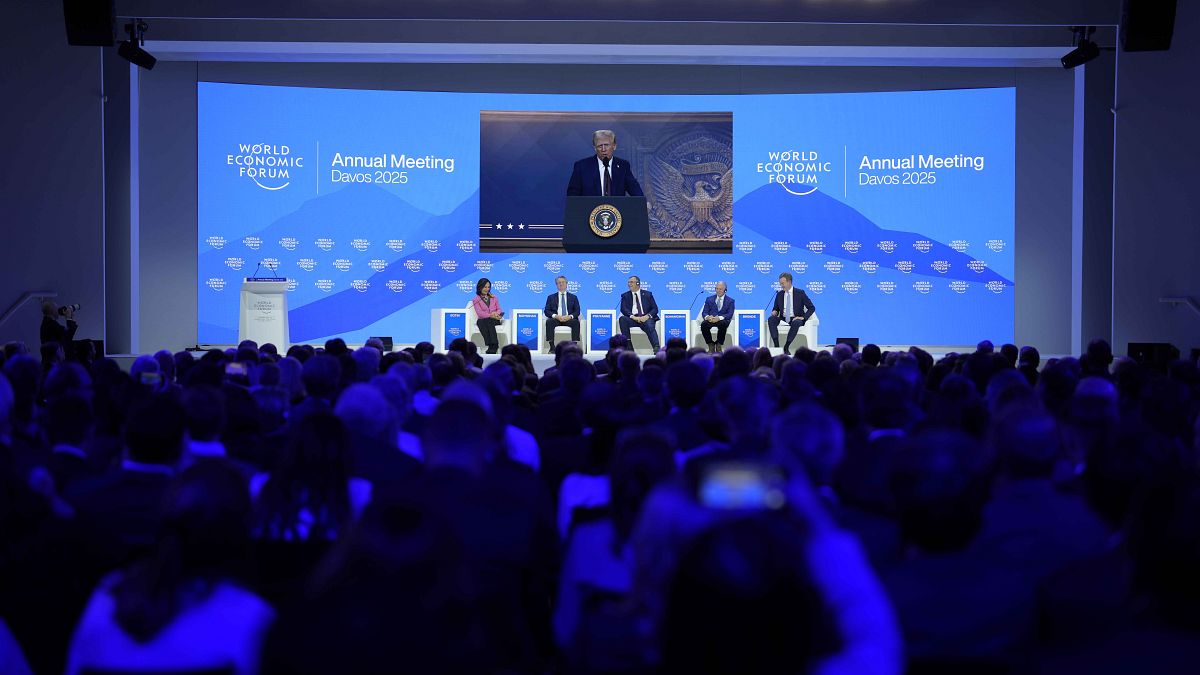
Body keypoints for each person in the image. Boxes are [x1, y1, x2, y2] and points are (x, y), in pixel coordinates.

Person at [566, 130, 644, 197]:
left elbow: (636, 192)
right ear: (595, 148)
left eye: (606, 145)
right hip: (590, 213)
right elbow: (572, 196)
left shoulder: (623, 166)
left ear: (614, 146)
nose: (603, 149)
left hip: (616, 212)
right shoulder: (582, 167)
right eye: (600, 146)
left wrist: (643, 203)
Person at [767, 272, 816, 355]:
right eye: (780, 283)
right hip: (783, 318)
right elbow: (776, 308)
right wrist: (774, 311)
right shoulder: (779, 294)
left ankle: (786, 347)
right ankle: (777, 347)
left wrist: (803, 317)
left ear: (789, 282)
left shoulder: (800, 293)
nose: (781, 285)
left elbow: (812, 308)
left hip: (796, 318)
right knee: (771, 319)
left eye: (783, 283)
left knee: (796, 322)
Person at [618, 275, 660, 352]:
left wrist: (647, 316)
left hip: (646, 318)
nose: (629, 284)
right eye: (628, 282)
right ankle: (629, 346)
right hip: (633, 319)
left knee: (649, 324)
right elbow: (623, 309)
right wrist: (633, 317)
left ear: (638, 283)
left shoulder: (648, 294)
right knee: (622, 319)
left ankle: (656, 347)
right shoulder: (625, 296)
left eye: (631, 282)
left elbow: (655, 309)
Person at [544, 275, 581, 349]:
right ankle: (552, 346)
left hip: (568, 319)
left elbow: (577, 311)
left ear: (567, 284)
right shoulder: (551, 297)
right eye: (559, 283)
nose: (561, 284)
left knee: (576, 322)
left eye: (563, 282)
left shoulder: (573, 297)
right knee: (549, 322)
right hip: (556, 319)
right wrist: (556, 316)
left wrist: (570, 316)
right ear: (556, 285)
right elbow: (546, 311)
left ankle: (574, 346)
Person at [699, 281, 735, 353]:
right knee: (704, 325)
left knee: (723, 324)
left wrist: (719, 318)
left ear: (725, 290)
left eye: (720, 289)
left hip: (722, 320)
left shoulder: (730, 301)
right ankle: (710, 344)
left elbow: (730, 314)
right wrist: (708, 317)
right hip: (711, 320)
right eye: (716, 289)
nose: (718, 291)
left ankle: (719, 344)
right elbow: (704, 312)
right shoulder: (709, 299)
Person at [472, 277, 504, 355]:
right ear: (480, 287)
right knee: (482, 321)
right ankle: (493, 345)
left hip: (495, 320)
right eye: (485, 287)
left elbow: (499, 309)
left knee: (486, 321)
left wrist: (496, 314)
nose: (487, 289)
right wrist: (490, 315)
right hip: (484, 320)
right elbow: (480, 313)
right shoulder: (476, 300)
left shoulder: (494, 297)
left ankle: (492, 345)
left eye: (488, 287)